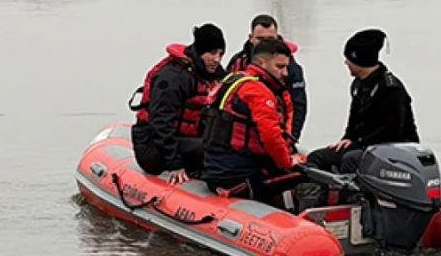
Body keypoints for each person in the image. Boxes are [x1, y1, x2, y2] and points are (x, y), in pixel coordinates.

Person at [305, 28, 419, 175]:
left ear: (359, 59)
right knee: (318, 157)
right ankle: (318, 194)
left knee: (351, 159)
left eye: (349, 59)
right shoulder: (358, 84)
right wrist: (347, 138)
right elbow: (354, 120)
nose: (345, 62)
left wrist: (357, 143)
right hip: (366, 144)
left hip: (394, 148)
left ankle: (353, 197)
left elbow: (391, 131)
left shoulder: (390, 88)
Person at [201, 38, 304, 202]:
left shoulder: (233, 80)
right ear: (262, 63)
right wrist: (288, 163)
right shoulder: (257, 92)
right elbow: (271, 138)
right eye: (280, 67)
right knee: (306, 176)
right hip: (239, 175)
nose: (285, 73)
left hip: (214, 167)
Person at [129, 23, 227, 185]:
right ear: (200, 51)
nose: (217, 59)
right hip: (153, 147)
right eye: (212, 53)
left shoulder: (215, 74)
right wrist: (175, 165)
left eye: (220, 54)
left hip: (186, 139)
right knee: (213, 150)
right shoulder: (173, 77)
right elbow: (160, 122)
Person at [225, 14, 309, 142]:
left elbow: (298, 106)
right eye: (260, 38)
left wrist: (291, 140)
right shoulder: (238, 61)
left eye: (270, 38)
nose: (266, 43)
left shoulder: (291, 69)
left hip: (275, 130)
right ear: (251, 38)